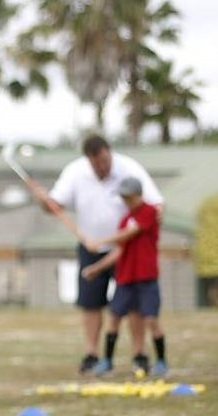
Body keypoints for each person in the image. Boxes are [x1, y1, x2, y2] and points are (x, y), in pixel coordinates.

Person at [35, 134, 163, 375]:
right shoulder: (75, 172)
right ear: (88, 160)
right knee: (91, 303)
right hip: (90, 248)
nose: (101, 167)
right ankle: (92, 354)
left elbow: (155, 204)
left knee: (133, 304)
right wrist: (45, 201)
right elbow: (55, 205)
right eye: (95, 163)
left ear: (109, 152)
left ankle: (139, 354)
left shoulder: (129, 168)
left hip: (127, 250)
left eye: (104, 161)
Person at [80, 176, 167, 377]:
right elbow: (119, 250)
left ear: (139, 195)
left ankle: (161, 361)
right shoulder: (125, 219)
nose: (127, 202)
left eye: (130, 197)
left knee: (151, 319)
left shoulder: (149, 212)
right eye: (124, 198)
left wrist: (99, 241)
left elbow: (128, 235)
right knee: (114, 318)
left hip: (146, 277)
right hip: (125, 278)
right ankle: (107, 361)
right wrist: (97, 268)